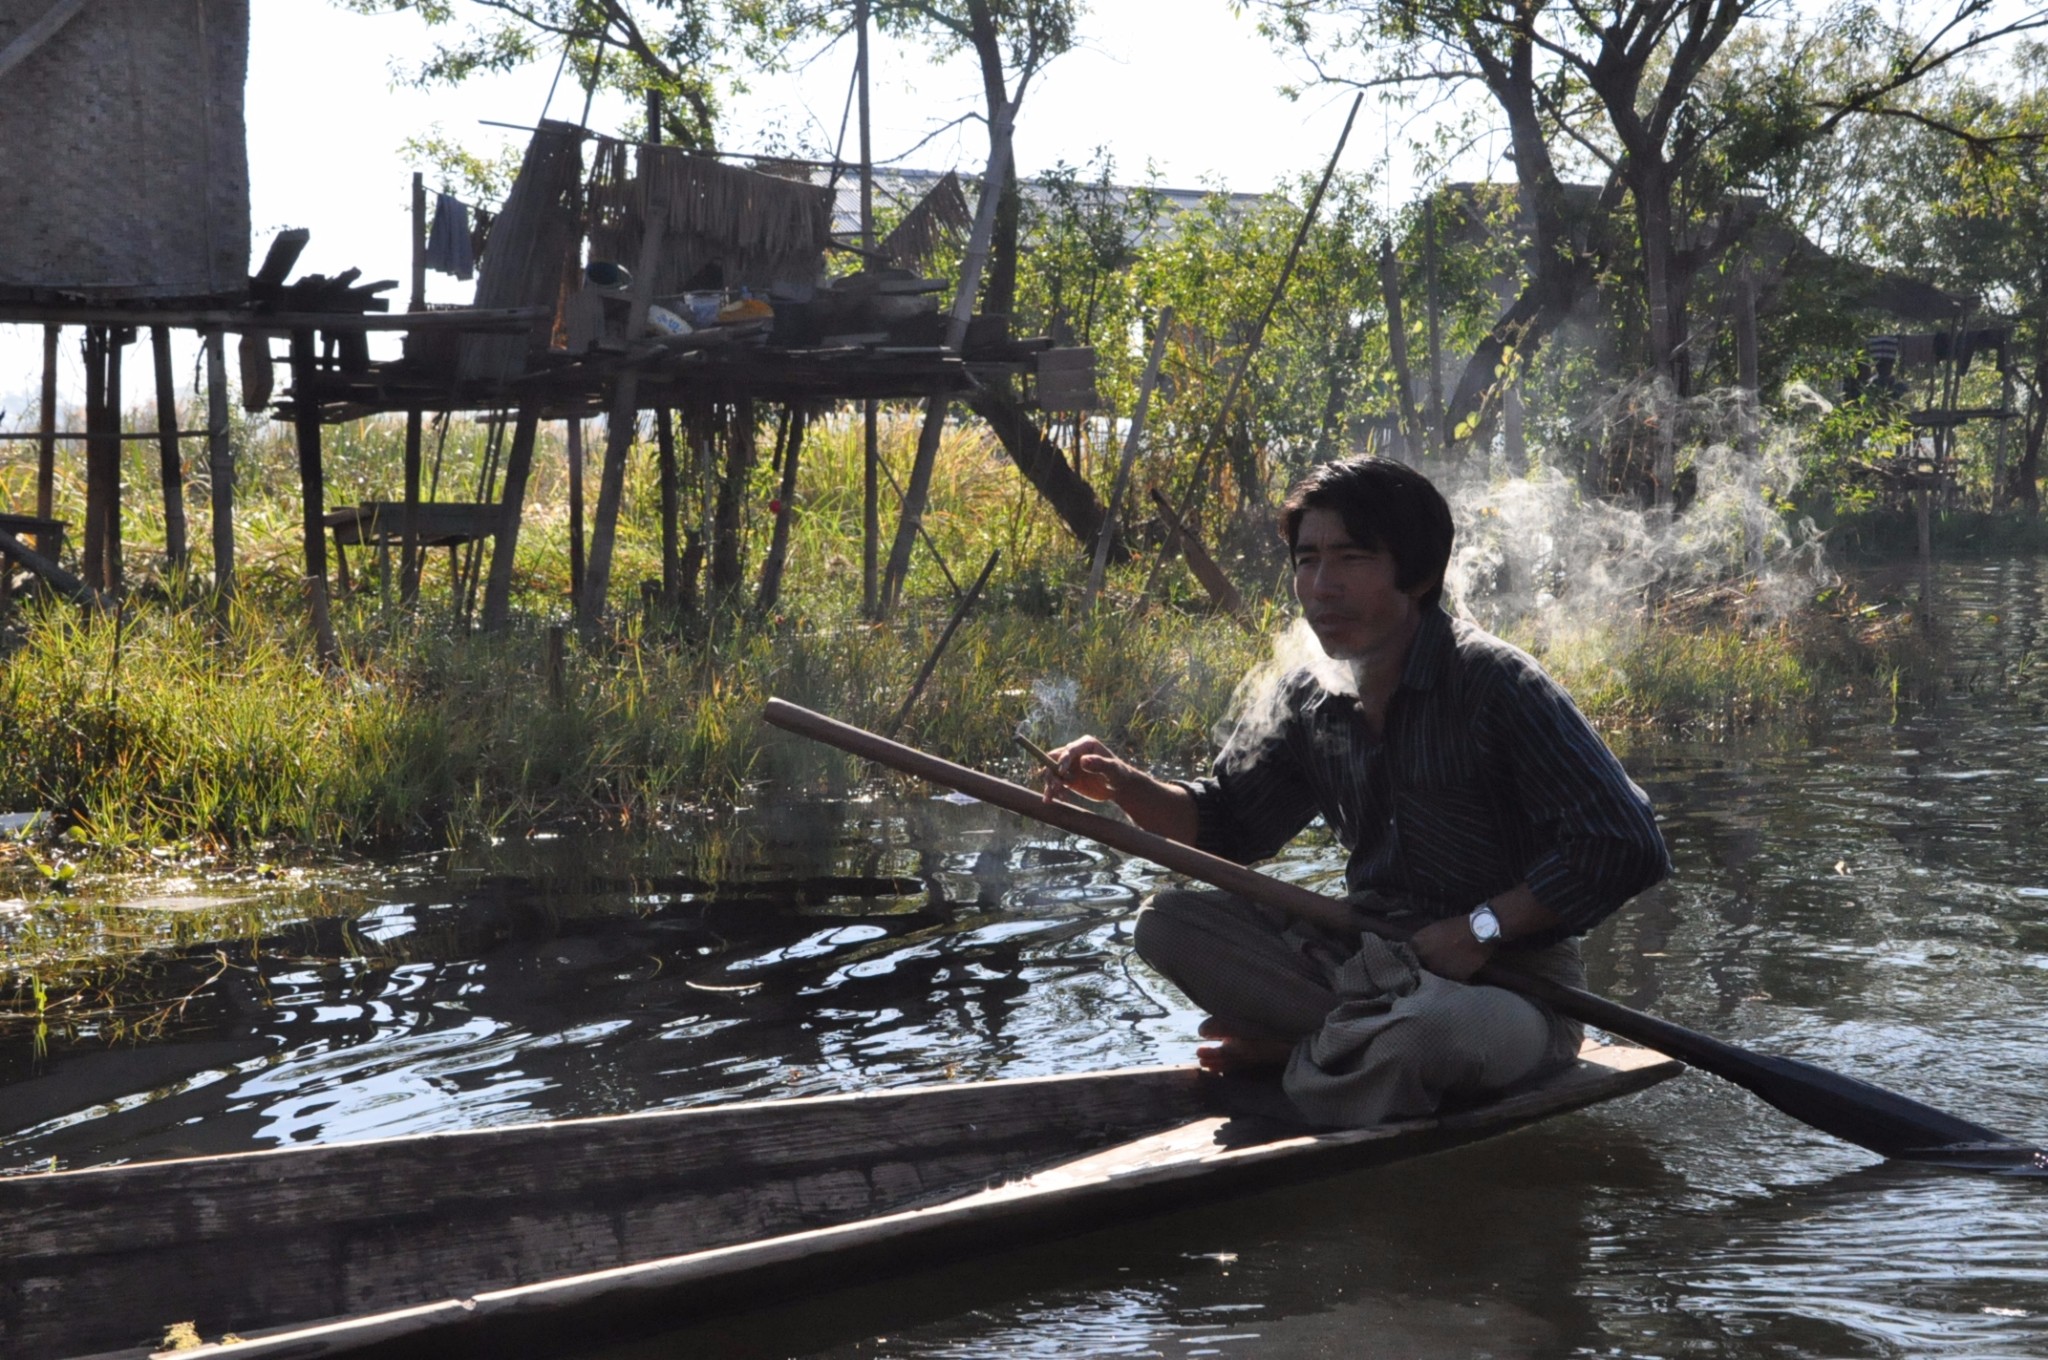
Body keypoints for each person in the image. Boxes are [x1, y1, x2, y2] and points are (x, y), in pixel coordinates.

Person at [1045, 457, 1669, 1128]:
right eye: (1307, 560)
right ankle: (1338, 1050)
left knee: (1422, 1035)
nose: (1321, 586)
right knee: (1165, 923)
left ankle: (1304, 1055)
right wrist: (1126, 787)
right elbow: (1228, 824)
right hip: (1365, 966)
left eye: (1351, 558)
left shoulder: (1494, 681)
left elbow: (1626, 842)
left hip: (1509, 989)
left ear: (1419, 574)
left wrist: (1481, 927)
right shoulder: (1309, 694)